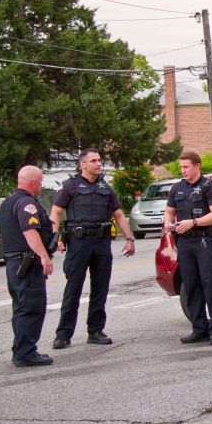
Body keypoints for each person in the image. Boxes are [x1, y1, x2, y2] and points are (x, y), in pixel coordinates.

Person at [49, 149, 135, 349]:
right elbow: (56, 212)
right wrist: (55, 238)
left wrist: (130, 238)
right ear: (83, 165)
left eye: (99, 160)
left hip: (102, 242)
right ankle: (63, 334)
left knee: (100, 288)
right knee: (73, 288)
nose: (98, 164)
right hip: (79, 242)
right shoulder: (70, 185)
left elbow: (119, 215)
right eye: (94, 161)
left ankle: (95, 331)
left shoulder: (106, 186)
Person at [163, 151, 212, 345]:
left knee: (210, 285)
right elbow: (169, 211)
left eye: (186, 167)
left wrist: (194, 222)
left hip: (204, 242)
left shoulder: (210, 188)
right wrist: (167, 223)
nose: (183, 170)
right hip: (184, 243)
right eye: (181, 167)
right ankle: (199, 329)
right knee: (191, 286)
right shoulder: (177, 188)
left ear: (197, 166)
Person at [0, 166, 55, 366]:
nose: (40, 186)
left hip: (14, 263)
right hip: (27, 263)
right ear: (34, 183)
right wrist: (44, 256)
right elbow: (30, 232)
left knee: (21, 307)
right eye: (40, 183)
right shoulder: (26, 203)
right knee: (32, 307)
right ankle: (25, 353)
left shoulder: (8, 202)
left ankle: (21, 348)